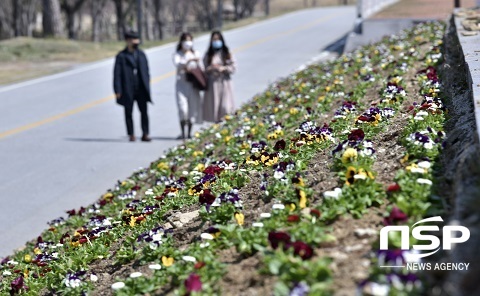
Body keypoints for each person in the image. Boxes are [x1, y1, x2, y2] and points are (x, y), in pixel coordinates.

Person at [113, 30, 152, 142]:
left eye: (136, 39)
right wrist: (117, 89)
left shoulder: (141, 54)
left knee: (144, 112)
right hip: (127, 88)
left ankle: (145, 133)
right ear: (127, 41)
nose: (136, 42)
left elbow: (146, 72)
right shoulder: (121, 56)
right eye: (133, 40)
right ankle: (131, 134)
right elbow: (117, 74)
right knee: (128, 112)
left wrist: (147, 86)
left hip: (141, 88)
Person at [173, 32, 203, 139]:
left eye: (189, 40)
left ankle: (189, 133)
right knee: (183, 109)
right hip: (181, 86)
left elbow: (200, 68)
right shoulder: (177, 54)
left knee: (192, 110)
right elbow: (178, 64)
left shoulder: (196, 53)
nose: (187, 43)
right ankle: (182, 132)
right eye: (185, 40)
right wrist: (188, 61)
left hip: (193, 85)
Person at [203, 31, 235, 123]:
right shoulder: (208, 54)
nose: (216, 41)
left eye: (218, 39)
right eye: (214, 39)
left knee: (226, 107)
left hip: (225, 82)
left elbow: (233, 67)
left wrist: (224, 68)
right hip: (213, 84)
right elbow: (204, 68)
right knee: (215, 107)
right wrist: (211, 68)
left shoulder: (226, 53)